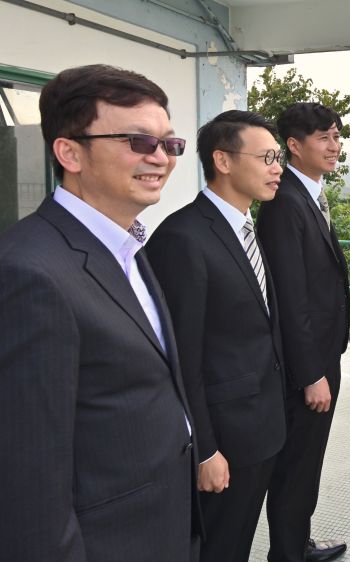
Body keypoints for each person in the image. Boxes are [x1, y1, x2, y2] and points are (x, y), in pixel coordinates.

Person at [0, 64, 197, 561]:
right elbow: (27, 479)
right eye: (138, 141)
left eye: (169, 144)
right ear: (69, 152)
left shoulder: (128, 245)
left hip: (163, 522)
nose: (161, 158)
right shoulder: (30, 272)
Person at [145, 110, 287, 562]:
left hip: (260, 424)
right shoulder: (183, 237)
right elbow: (181, 355)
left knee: (239, 538)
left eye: (278, 157)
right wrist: (205, 450)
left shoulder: (245, 225)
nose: (277, 168)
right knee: (217, 547)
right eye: (266, 157)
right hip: (224, 438)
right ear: (222, 161)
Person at [256, 102, 350, 562]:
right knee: (296, 466)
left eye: (336, 135)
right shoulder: (283, 204)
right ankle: (288, 554)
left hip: (321, 354)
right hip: (305, 364)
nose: (334, 145)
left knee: (307, 461)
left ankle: (297, 542)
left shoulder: (308, 193)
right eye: (324, 137)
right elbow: (289, 299)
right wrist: (311, 373)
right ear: (294, 145)